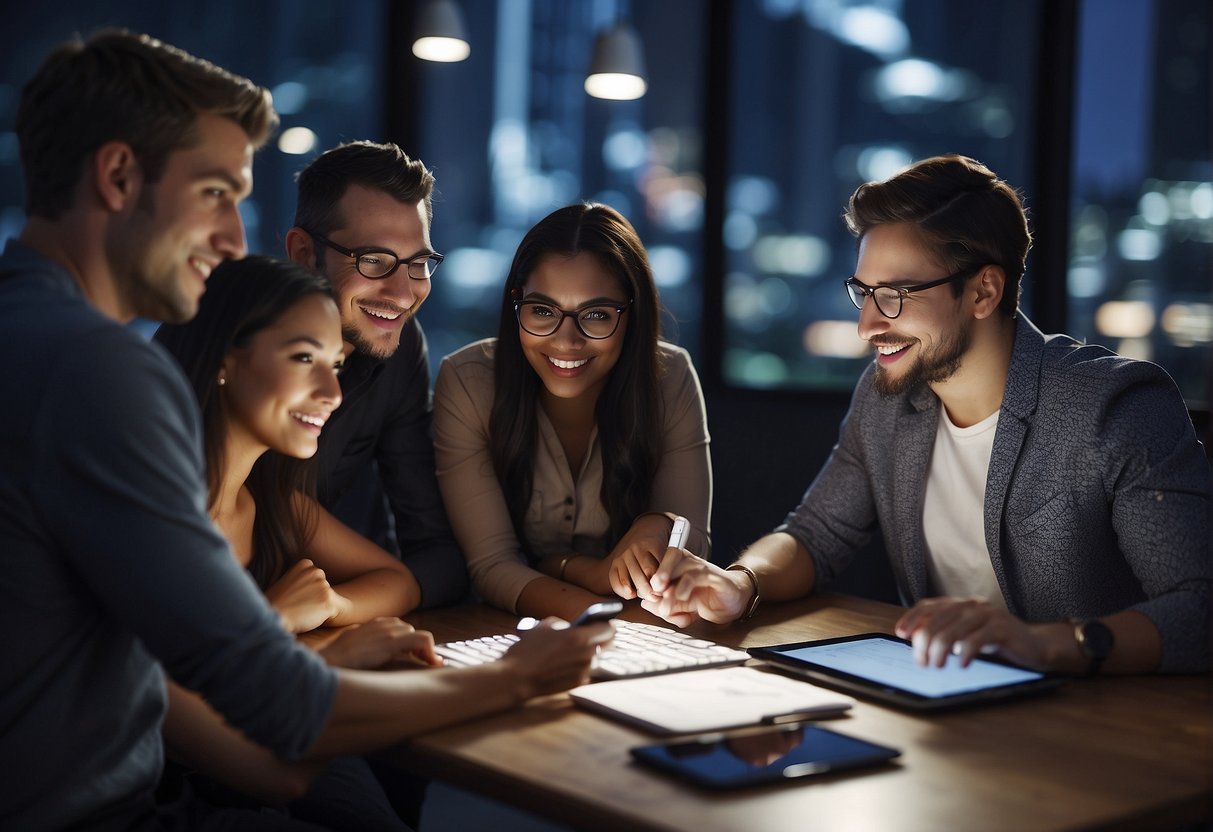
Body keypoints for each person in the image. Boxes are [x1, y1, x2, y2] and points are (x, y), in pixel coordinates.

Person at [0, 28, 607, 832]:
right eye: (215, 193)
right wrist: (519, 674)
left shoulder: (25, 332)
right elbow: (284, 712)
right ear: (116, 176)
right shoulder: (97, 368)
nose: (231, 241)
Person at [643, 155, 1210, 675]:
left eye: (896, 294)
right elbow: (815, 536)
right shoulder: (887, 398)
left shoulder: (1114, 406)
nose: (868, 325)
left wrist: (1048, 644)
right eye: (863, 293)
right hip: (946, 709)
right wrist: (741, 584)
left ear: (984, 291)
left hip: (1102, 725)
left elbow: (1201, 607)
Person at [155, 255, 432, 829]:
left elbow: (398, 581)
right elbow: (166, 711)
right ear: (226, 360)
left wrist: (332, 606)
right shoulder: (155, 515)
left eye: (335, 364)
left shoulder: (272, 500)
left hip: (263, 738)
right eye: (305, 359)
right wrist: (282, 627)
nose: (333, 391)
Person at [433, 202, 712, 621]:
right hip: (500, 632)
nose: (566, 341)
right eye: (542, 311)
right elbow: (492, 566)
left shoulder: (670, 378)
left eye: (596, 315)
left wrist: (661, 524)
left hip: (645, 632)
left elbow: (693, 552)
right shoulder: (468, 382)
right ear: (517, 304)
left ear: (632, 314)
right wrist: (599, 609)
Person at [284, 141, 467, 610]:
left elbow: (437, 558)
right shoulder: (225, 348)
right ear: (304, 253)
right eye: (375, 260)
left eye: (419, 263)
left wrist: (340, 609)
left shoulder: (399, 350)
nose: (403, 293)